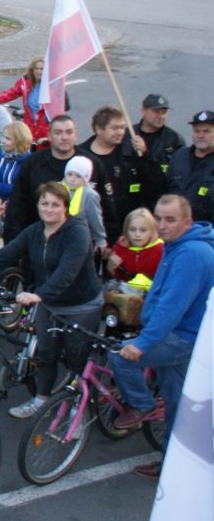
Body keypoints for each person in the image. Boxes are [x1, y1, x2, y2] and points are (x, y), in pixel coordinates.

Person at [0, 182, 101, 420]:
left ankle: (79, 413)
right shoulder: (35, 231)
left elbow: (67, 271)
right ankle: (41, 401)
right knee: (46, 354)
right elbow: (7, 253)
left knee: (77, 358)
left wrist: (39, 295)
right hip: (49, 303)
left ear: (65, 207)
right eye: (45, 203)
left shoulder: (77, 232)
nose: (49, 209)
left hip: (79, 305)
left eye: (55, 204)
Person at [107, 196, 214, 478]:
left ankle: (142, 405)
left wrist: (143, 343)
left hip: (181, 337)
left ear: (187, 222)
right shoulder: (177, 245)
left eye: (170, 219)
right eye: (158, 218)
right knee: (178, 404)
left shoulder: (190, 254)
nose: (162, 225)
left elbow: (172, 306)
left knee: (119, 356)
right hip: (178, 334)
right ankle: (174, 466)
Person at [5, 115, 109, 241]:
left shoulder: (92, 164)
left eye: (69, 132)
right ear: (49, 136)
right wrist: (13, 240)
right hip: (39, 239)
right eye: (58, 132)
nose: (64, 137)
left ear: (76, 135)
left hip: (80, 241)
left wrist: (109, 241)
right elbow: (17, 205)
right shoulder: (33, 163)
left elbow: (106, 205)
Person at [79, 105, 165, 241]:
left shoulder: (131, 152)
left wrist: (145, 155)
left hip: (129, 231)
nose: (120, 132)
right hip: (91, 231)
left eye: (122, 127)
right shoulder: (81, 157)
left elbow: (157, 181)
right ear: (99, 129)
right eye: (114, 128)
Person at [165, 109, 214, 224]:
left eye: (206, 131)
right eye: (197, 131)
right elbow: (165, 188)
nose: (200, 135)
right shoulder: (179, 156)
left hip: (205, 229)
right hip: (175, 227)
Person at [0, 58, 61, 145]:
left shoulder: (52, 85)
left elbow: (61, 106)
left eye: (42, 69)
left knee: (43, 148)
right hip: (29, 124)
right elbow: (12, 93)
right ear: (32, 70)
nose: (39, 72)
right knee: (27, 147)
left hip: (45, 126)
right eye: (36, 68)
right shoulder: (25, 82)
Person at [134, 93, 185, 178]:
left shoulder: (174, 139)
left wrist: (145, 152)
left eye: (164, 112)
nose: (161, 116)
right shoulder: (128, 135)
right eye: (156, 112)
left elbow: (181, 171)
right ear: (143, 111)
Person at [63, 155, 108, 250]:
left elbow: (95, 219)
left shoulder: (89, 195)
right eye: (70, 174)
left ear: (85, 178)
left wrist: (100, 240)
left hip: (80, 239)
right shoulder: (58, 189)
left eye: (78, 176)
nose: (72, 179)